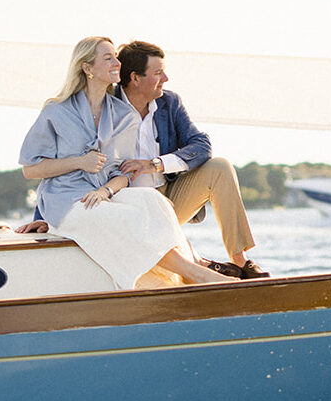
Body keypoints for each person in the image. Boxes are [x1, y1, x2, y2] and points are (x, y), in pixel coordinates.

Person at [18, 37, 235, 289]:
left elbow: (123, 174)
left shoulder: (122, 113)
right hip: (67, 198)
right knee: (117, 217)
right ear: (87, 68)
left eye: (116, 57)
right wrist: (79, 162)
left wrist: (105, 189)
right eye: (108, 58)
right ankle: (196, 273)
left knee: (153, 201)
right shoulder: (56, 111)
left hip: (104, 194)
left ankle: (190, 268)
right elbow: (31, 169)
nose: (117, 62)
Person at [115, 40, 268, 279]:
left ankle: (240, 263)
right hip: (129, 204)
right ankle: (199, 264)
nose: (165, 78)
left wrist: (156, 164)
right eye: (158, 73)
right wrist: (44, 216)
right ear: (135, 78)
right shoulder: (107, 105)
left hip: (169, 195)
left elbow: (201, 145)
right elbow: (70, 154)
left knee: (220, 166)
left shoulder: (169, 102)